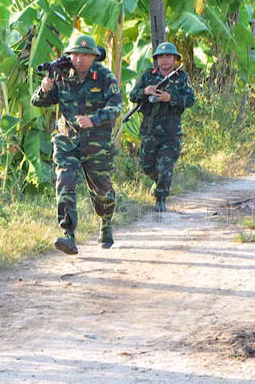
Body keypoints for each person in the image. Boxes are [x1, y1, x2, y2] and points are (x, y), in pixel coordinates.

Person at [31, 34, 122, 254]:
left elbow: (116, 107)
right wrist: (44, 88)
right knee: (65, 183)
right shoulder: (61, 75)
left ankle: (105, 221)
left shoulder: (104, 77)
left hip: (96, 141)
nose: (79, 59)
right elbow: (38, 102)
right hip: (67, 140)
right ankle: (68, 234)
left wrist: (94, 119)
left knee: (102, 191)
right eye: (75, 54)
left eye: (85, 55)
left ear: (93, 56)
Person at [128, 42, 195, 212]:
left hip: (171, 131)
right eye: (161, 57)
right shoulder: (147, 76)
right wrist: (145, 91)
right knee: (146, 166)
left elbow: (190, 100)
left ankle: (161, 198)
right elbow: (133, 96)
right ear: (156, 59)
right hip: (149, 129)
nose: (164, 60)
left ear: (175, 59)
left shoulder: (182, 77)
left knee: (166, 166)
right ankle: (158, 181)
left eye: (168, 56)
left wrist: (169, 98)